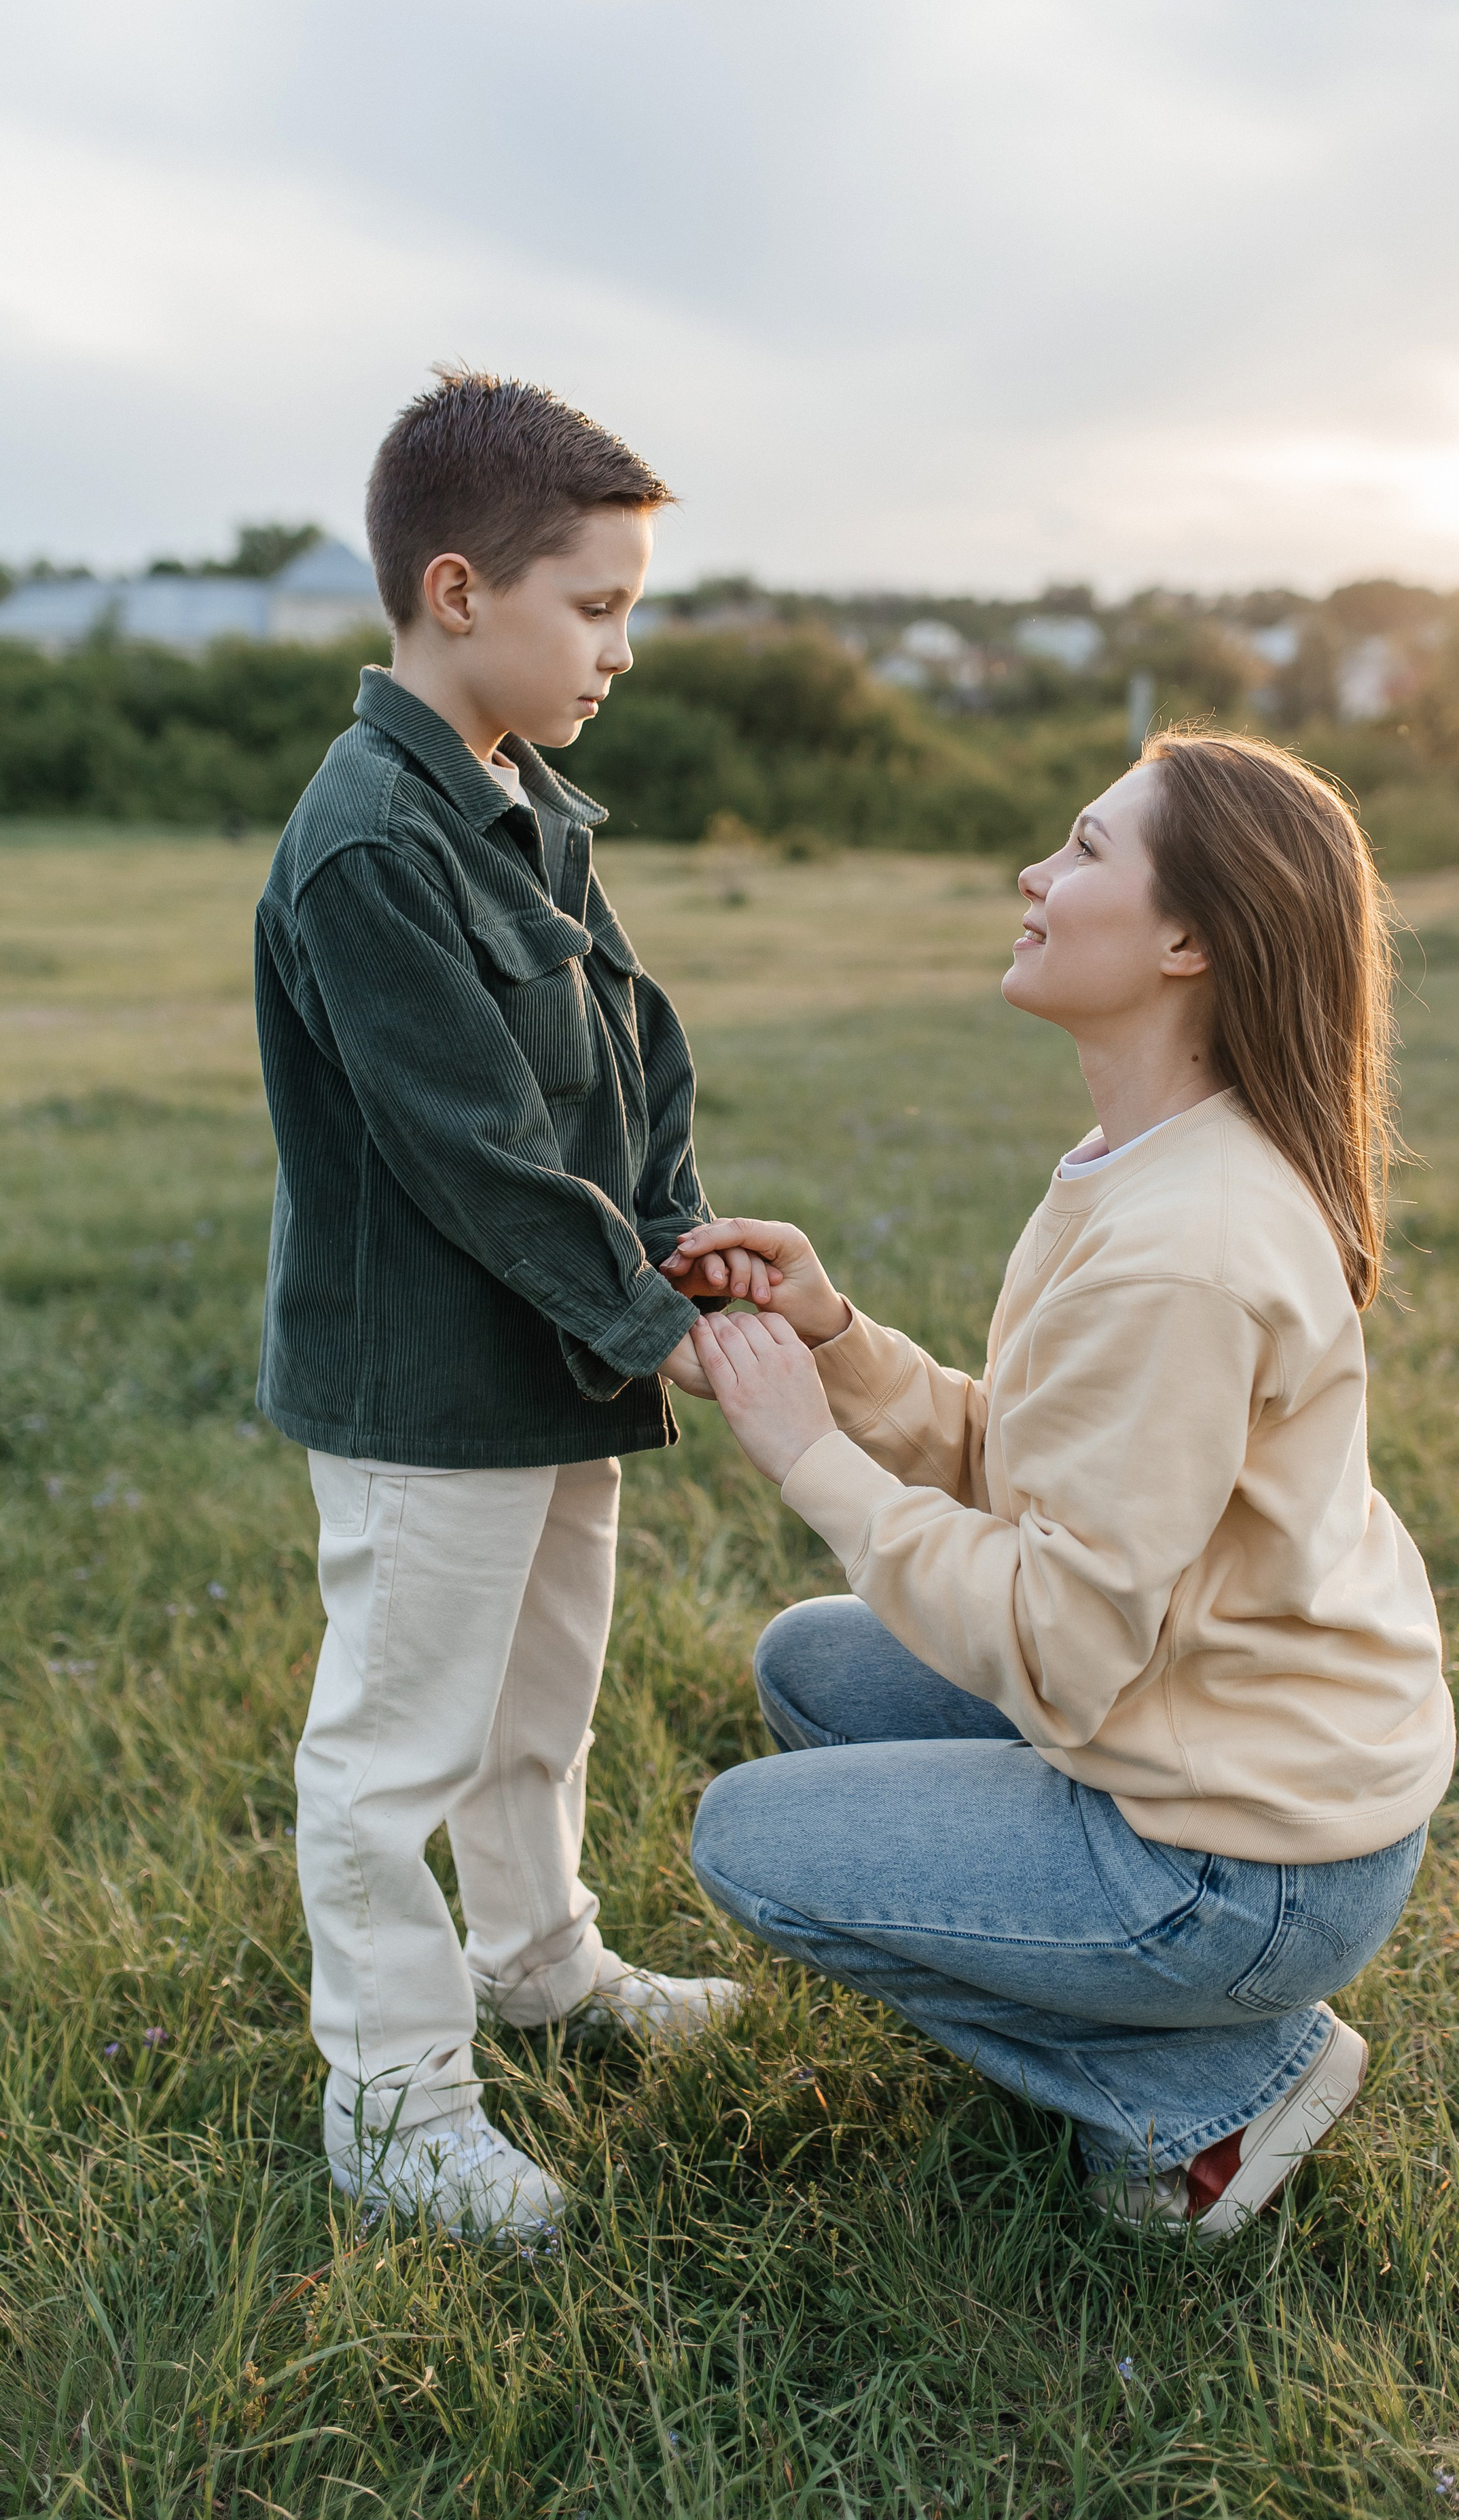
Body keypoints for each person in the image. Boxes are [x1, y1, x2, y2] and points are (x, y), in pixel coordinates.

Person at [662, 733, 1453, 2239]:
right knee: (816, 1666)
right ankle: (1176, 2022)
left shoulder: (1187, 1245)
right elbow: (1043, 1478)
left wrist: (805, 1456)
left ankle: (1214, 2088)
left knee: (747, 1842)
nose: (1033, 874)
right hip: (1232, 1765)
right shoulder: (1143, 1161)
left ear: (1187, 940)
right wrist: (834, 1345)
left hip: (1249, 1862)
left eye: (1084, 850)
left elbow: (1063, 1636)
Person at [254, 371, 764, 2237]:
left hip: (553, 1365)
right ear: (458, 593)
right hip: (432, 1388)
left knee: (540, 1699)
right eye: (598, 604)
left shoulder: (517, 792)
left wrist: (675, 1238)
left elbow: (626, 1046)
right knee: (397, 1749)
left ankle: (542, 1957)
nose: (624, 646)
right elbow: (472, 1149)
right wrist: (654, 1324)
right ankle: (393, 2106)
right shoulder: (373, 843)